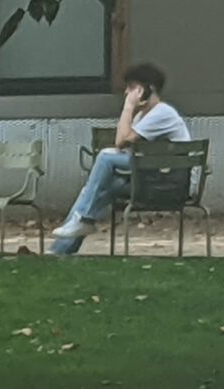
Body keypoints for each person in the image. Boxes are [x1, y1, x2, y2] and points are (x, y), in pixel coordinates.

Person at [48, 63, 190, 254]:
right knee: (94, 191)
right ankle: (60, 249)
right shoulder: (143, 116)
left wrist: (128, 107)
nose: (126, 93)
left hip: (169, 184)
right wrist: (131, 110)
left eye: (132, 88)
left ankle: (83, 219)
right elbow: (120, 142)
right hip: (150, 180)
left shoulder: (162, 112)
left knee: (106, 158)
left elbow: (120, 143)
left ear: (149, 88)